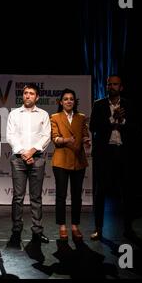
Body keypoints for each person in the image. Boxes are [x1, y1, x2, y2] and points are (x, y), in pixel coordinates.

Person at [89, 75, 136, 240]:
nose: (112, 87)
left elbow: (135, 129)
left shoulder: (129, 105)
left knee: (127, 192)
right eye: (109, 84)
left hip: (124, 152)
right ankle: (98, 228)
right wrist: (112, 118)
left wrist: (122, 120)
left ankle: (128, 229)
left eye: (115, 84)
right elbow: (93, 126)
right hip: (104, 153)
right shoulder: (99, 104)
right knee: (100, 191)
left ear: (121, 87)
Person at [6, 84, 51, 247]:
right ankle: (16, 230)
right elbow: (10, 136)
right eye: (25, 93)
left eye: (31, 93)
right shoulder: (14, 114)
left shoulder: (43, 115)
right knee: (18, 197)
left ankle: (37, 230)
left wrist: (32, 152)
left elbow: (46, 136)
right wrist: (24, 153)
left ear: (37, 97)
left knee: (36, 197)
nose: (28, 96)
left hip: (37, 159)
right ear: (22, 96)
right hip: (19, 159)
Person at [50, 88, 91, 241]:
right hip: (61, 161)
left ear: (75, 102)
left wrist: (86, 141)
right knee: (61, 196)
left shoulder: (81, 117)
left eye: (71, 99)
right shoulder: (55, 117)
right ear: (61, 102)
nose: (68, 101)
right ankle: (62, 226)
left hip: (78, 161)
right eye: (65, 99)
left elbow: (85, 134)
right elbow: (54, 138)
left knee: (76, 196)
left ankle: (75, 226)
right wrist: (66, 140)